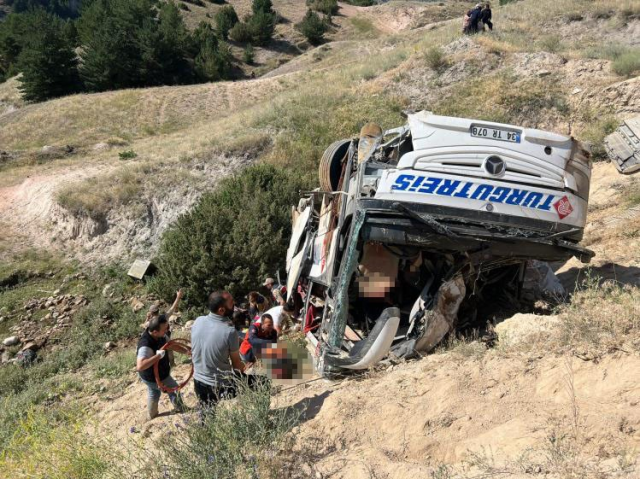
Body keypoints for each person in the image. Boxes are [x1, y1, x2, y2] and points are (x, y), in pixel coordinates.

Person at [191, 291, 248, 408]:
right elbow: (237, 366)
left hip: (198, 381)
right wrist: (247, 363)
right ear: (221, 310)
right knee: (263, 382)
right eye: (231, 303)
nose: (234, 304)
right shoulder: (229, 331)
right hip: (220, 386)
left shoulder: (198, 320)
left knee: (207, 414)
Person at [136, 314, 186, 420]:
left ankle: (151, 415)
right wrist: (158, 356)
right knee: (173, 388)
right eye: (165, 329)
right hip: (152, 376)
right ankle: (181, 409)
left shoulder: (161, 335)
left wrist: (187, 351)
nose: (167, 330)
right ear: (155, 332)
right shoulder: (145, 344)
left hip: (160, 372)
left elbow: (171, 345)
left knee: (154, 392)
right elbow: (140, 366)